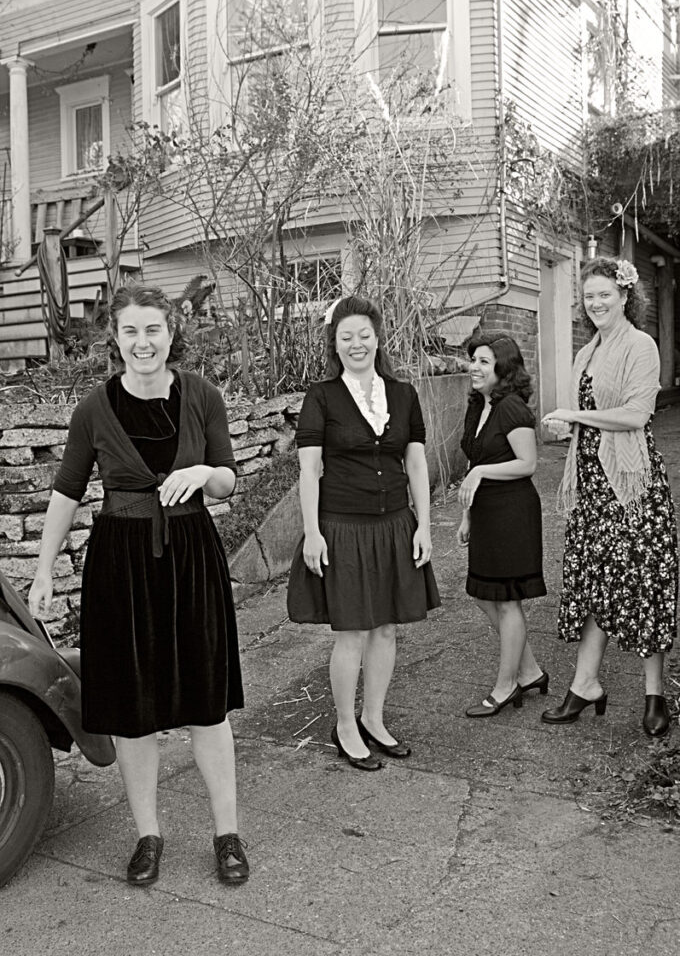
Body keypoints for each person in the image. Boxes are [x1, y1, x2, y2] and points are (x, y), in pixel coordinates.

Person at [28, 283, 249, 886]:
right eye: (131, 331)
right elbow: (66, 492)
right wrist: (44, 568)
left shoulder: (202, 396)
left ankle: (226, 833)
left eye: (153, 329)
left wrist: (205, 472)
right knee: (133, 713)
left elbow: (228, 478)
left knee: (207, 705)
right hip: (121, 566)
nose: (143, 341)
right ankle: (148, 834)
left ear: (172, 333)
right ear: (116, 338)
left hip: (190, 560)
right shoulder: (94, 410)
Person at [286, 296, 440, 770]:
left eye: (364, 334)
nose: (356, 343)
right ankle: (345, 724)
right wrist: (312, 533)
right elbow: (309, 470)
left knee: (387, 628)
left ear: (377, 337)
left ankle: (374, 719)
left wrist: (424, 525)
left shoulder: (403, 394)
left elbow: (415, 462)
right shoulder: (322, 396)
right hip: (342, 528)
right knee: (351, 633)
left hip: (395, 524)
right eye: (345, 336)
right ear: (335, 344)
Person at [541, 256, 678, 736]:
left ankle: (655, 695)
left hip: (632, 485)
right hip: (593, 485)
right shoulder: (586, 352)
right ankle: (585, 684)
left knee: (644, 583)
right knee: (597, 580)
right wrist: (567, 427)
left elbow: (637, 414)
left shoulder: (641, 345)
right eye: (588, 296)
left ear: (625, 296)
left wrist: (575, 417)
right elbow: (589, 416)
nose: (595, 302)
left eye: (605, 293)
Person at [457, 334, 547, 718]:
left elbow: (527, 463)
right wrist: (466, 515)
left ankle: (506, 685)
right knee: (483, 594)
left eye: (484, 361)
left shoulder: (512, 408)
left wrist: (481, 471)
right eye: (473, 360)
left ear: (503, 368)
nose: (475, 368)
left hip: (512, 513)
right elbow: (473, 461)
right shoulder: (479, 405)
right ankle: (529, 671)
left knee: (507, 600)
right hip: (486, 514)